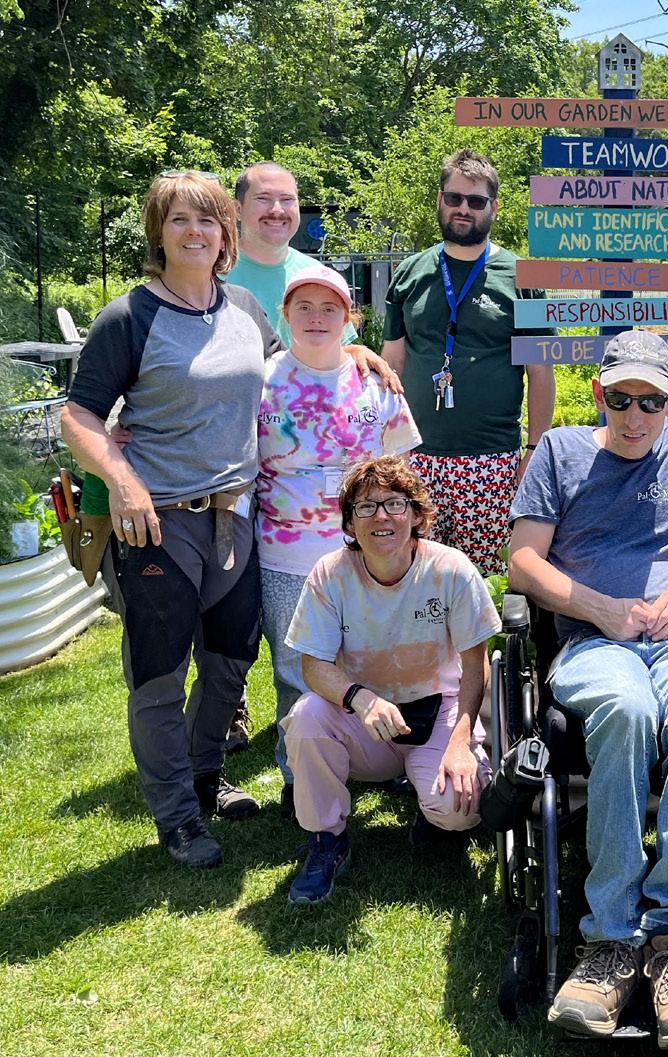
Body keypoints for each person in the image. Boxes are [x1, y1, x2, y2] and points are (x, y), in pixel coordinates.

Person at [508, 331, 668, 1049]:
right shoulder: (560, 452)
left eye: (651, 401)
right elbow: (523, 561)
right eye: (621, 399)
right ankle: (612, 938)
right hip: (594, 641)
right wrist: (600, 609)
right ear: (599, 394)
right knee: (627, 706)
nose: (635, 415)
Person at [61, 170, 282, 868]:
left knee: (231, 660)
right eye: (179, 219)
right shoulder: (128, 317)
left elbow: (289, 370)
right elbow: (78, 415)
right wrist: (121, 479)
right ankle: (177, 817)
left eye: (207, 219)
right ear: (158, 232)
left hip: (236, 516)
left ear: (226, 233)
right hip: (157, 523)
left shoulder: (244, 306)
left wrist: (356, 352)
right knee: (160, 673)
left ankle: (207, 777)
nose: (194, 231)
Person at [281, 455, 499, 905]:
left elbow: (476, 664)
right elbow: (313, 666)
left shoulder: (451, 569)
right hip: (366, 721)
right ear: (350, 523)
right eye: (366, 507)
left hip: (439, 710)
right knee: (306, 717)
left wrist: (461, 742)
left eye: (395, 504)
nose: (381, 517)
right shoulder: (329, 574)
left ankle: (432, 809)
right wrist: (360, 698)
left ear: (416, 515)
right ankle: (326, 839)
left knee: (458, 811)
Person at [256, 264, 421, 821]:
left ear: (349, 317)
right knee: (294, 666)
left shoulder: (375, 382)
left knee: (374, 656)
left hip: (367, 554)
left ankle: (385, 757)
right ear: (285, 315)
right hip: (286, 553)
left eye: (330, 308)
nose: (317, 318)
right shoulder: (263, 381)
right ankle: (298, 773)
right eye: (304, 307)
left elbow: (401, 468)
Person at [382, 148, 555, 576]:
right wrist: (385, 449)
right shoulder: (409, 274)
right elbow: (392, 364)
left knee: (486, 584)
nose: (464, 208)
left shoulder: (522, 278)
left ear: (494, 207)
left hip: (491, 462)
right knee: (416, 579)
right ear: (439, 200)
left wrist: (533, 451)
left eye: (476, 201)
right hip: (416, 457)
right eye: (454, 197)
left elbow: (540, 372)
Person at [226, 161, 359, 346]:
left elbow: (339, 350)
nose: (277, 209)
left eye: (287, 199)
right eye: (263, 198)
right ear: (238, 210)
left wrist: (359, 352)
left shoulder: (316, 274)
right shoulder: (212, 272)